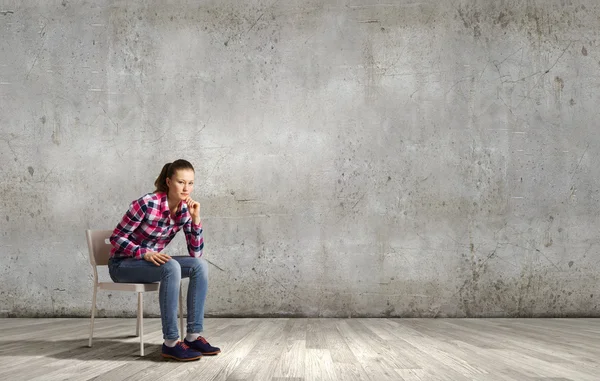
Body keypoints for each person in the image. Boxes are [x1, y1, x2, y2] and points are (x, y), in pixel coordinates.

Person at [107, 159, 220, 361]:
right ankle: (170, 342)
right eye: (181, 182)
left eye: (191, 183)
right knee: (171, 266)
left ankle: (193, 336)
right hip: (122, 265)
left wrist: (196, 220)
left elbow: (196, 254)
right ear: (168, 182)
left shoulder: (186, 210)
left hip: (151, 263)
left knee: (200, 266)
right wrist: (143, 253)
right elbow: (116, 238)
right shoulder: (147, 204)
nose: (187, 188)